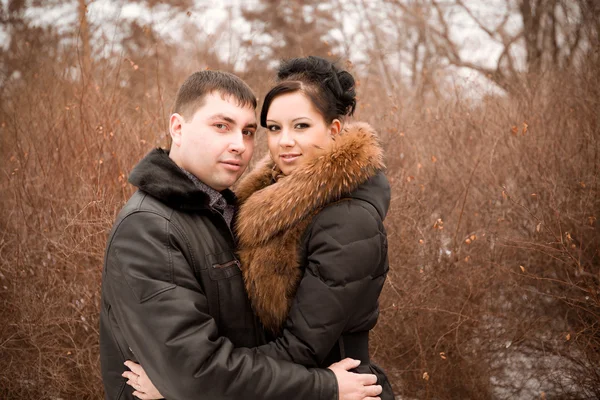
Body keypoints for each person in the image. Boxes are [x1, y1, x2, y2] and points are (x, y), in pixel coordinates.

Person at [99, 70, 383, 400]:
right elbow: (196, 371)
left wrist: (177, 380)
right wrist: (323, 386)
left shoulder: (227, 212)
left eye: (249, 132)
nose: (239, 145)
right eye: (222, 126)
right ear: (177, 128)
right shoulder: (149, 228)